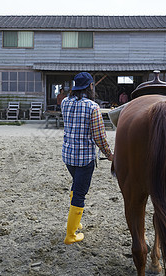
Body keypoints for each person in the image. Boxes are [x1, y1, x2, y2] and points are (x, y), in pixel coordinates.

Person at [61, 72, 114, 245]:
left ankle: (75, 221)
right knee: (80, 194)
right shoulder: (92, 107)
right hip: (84, 159)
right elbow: (99, 136)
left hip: (68, 156)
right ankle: (70, 235)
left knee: (76, 186)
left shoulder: (65, 102)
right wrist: (109, 154)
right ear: (90, 86)